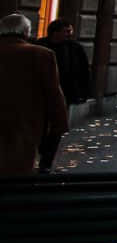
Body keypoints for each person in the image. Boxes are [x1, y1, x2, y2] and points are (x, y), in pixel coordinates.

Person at [1, 13, 68, 175]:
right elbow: (53, 92)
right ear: (26, 32)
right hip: (24, 121)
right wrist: (60, 123)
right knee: (18, 168)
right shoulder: (41, 54)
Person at [37, 18, 92, 107]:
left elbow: (84, 70)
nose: (70, 34)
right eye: (67, 31)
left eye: (70, 31)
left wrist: (84, 92)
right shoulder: (40, 45)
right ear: (55, 33)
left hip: (66, 91)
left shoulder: (75, 48)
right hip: (43, 89)